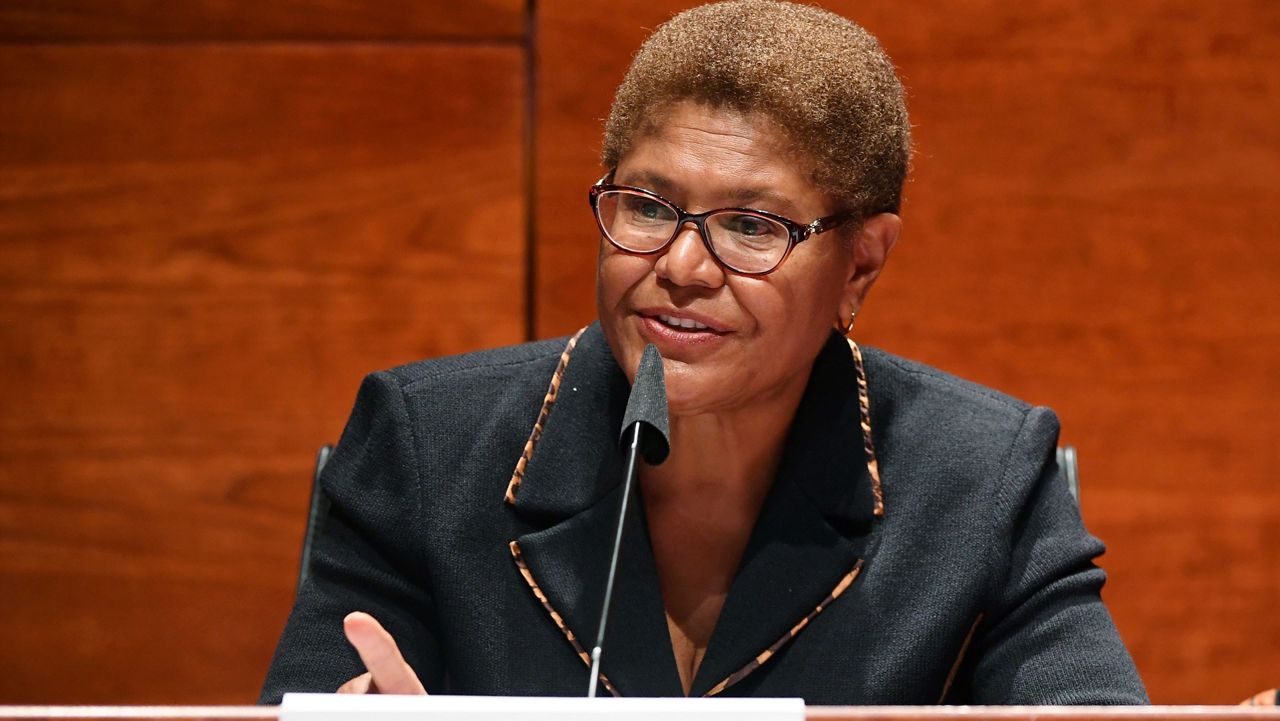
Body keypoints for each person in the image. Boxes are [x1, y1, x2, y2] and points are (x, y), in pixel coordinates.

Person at [260, 0, 1147, 705]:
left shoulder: (980, 478)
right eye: (647, 206)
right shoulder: (427, 448)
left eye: (751, 226)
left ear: (862, 262)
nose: (680, 267)